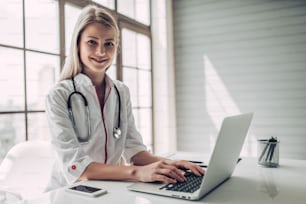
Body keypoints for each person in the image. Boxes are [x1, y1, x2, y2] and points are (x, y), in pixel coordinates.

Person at [45, 5, 204, 191]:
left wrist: (174, 164)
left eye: (109, 44)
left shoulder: (121, 92)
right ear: (77, 44)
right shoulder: (59, 95)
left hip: (109, 189)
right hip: (67, 192)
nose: (101, 52)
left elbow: (135, 152)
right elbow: (77, 168)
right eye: (92, 42)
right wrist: (137, 173)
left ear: (116, 47)